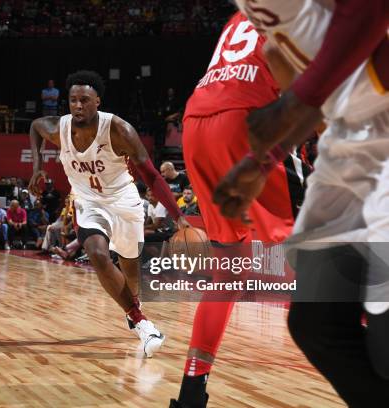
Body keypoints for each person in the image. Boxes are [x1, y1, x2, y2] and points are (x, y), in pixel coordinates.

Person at [215, 2, 389, 406]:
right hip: (349, 146)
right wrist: (262, 161)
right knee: (316, 324)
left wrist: (294, 103)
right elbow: (294, 62)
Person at [170, 11, 299, 408]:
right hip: (243, 121)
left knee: (229, 269)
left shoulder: (239, 15)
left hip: (197, 124)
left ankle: (192, 391)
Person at [28, 70, 189, 357]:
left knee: (131, 272)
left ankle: (133, 304)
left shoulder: (118, 130)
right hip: (89, 203)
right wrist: (37, 166)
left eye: (84, 100)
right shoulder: (59, 128)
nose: (78, 106)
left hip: (124, 201)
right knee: (99, 255)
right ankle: (141, 322)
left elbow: (151, 175)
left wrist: (178, 216)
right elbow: (35, 126)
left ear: (97, 101)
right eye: (73, 100)